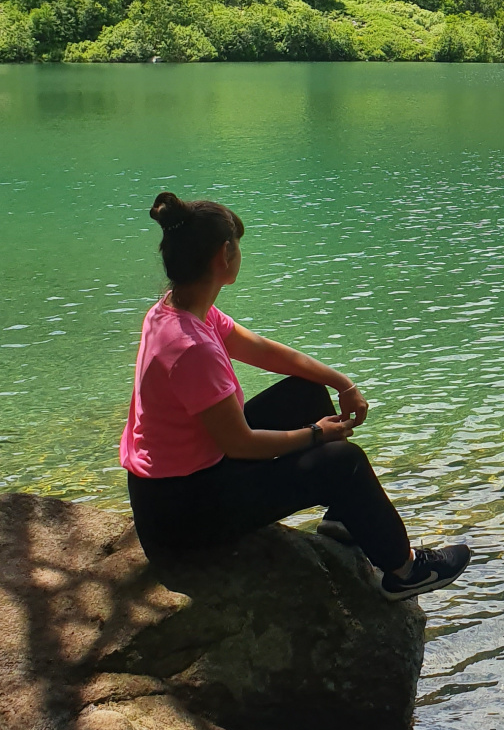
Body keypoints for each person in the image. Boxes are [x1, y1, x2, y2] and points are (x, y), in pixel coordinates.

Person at [121, 191, 470, 602]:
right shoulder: (190, 347)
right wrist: (316, 435)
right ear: (223, 256)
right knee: (344, 462)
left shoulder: (176, 310)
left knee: (306, 393)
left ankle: (345, 519)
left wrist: (343, 382)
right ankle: (404, 571)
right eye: (238, 246)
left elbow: (266, 351)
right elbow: (241, 444)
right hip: (183, 515)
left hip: (185, 480)